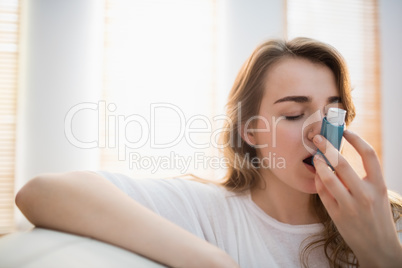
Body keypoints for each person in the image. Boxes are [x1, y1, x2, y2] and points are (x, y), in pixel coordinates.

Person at [16, 37, 402, 268]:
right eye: (293, 114)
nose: (321, 131)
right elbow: (42, 192)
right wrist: (213, 262)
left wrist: (383, 257)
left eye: (332, 111)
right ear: (250, 131)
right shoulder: (209, 211)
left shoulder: (387, 219)